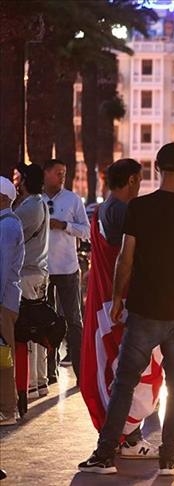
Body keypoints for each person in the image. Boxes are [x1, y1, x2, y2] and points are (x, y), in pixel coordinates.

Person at [78, 143, 174, 475]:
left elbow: (125, 258)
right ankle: (168, 458)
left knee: (124, 383)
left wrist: (117, 298)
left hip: (143, 311)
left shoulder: (138, 208)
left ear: (157, 169)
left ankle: (105, 454)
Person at [80, 159, 161, 460]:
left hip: (107, 301)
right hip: (121, 302)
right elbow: (127, 257)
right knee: (131, 373)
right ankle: (125, 440)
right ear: (131, 180)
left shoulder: (102, 209)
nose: (140, 185)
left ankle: (121, 438)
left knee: (116, 369)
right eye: (139, 180)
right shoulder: (124, 211)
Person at [42, 159, 90, 381]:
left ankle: (81, 371)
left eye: (64, 173)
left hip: (68, 269)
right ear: (46, 173)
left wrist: (64, 226)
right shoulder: (36, 200)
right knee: (46, 322)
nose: (62, 177)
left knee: (74, 321)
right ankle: (49, 371)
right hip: (43, 270)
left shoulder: (72, 200)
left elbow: (86, 231)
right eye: (58, 172)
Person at [11, 164, 50, 401]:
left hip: (27, 273)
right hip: (38, 272)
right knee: (37, 327)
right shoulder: (39, 202)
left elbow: (9, 229)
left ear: (25, 180)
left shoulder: (29, 207)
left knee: (28, 330)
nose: (16, 182)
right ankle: (40, 382)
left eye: (18, 178)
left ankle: (32, 383)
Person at [0, 176, 25, 427]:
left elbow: (3, 268)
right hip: (5, 300)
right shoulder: (7, 223)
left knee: (3, 356)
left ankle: (8, 410)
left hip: (3, 302)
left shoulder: (7, 226)